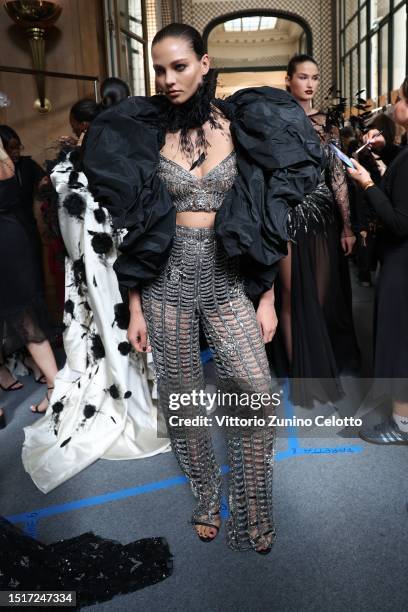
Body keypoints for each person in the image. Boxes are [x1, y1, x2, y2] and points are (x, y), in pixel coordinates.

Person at [83, 24, 322, 553]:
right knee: (182, 398)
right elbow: (135, 227)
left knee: (257, 394)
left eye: (180, 67)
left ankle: (253, 506)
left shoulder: (243, 125)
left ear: (205, 64)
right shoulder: (141, 132)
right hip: (165, 279)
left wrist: (266, 298)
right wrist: (137, 306)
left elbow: (266, 215)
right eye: (160, 69)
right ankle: (205, 495)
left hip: (228, 276)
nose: (168, 79)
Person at [22, 80, 169, 494]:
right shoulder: (134, 155)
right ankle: (142, 394)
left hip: (98, 271)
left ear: (82, 125)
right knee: (129, 334)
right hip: (124, 265)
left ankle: (126, 393)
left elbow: (71, 233)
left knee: (110, 333)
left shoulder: (74, 169)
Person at [271, 53, 360, 405]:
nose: (309, 84)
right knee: (290, 296)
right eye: (303, 77)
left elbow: (337, 176)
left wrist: (348, 226)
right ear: (289, 80)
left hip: (323, 218)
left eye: (315, 77)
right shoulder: (274, 120)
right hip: (287, 216)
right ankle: (298, 374)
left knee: (320, 300)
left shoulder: (327, 124)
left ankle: (319, 367)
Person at [347, 77, 408, 444]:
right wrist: (382, 163)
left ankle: (401, 425)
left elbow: (401, 222)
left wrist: (367, 185)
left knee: (399, 338)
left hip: (403, 260)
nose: (395, 105)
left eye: (400, 98)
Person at [0, 136, 58, 426]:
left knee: (23, 314)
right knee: (24, 314)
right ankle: (55, 386)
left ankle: (54, 386)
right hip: (13, 236)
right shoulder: (7, 161)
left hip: (6, 242)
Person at [0, 125, 48, 389]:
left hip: (22, 235)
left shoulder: (26, 166)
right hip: (8, 236)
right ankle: (5, 366)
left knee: (28, 299)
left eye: (18, 147)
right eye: (11, 148)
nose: (16, 153)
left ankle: (32, 359)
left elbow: (43, 186)